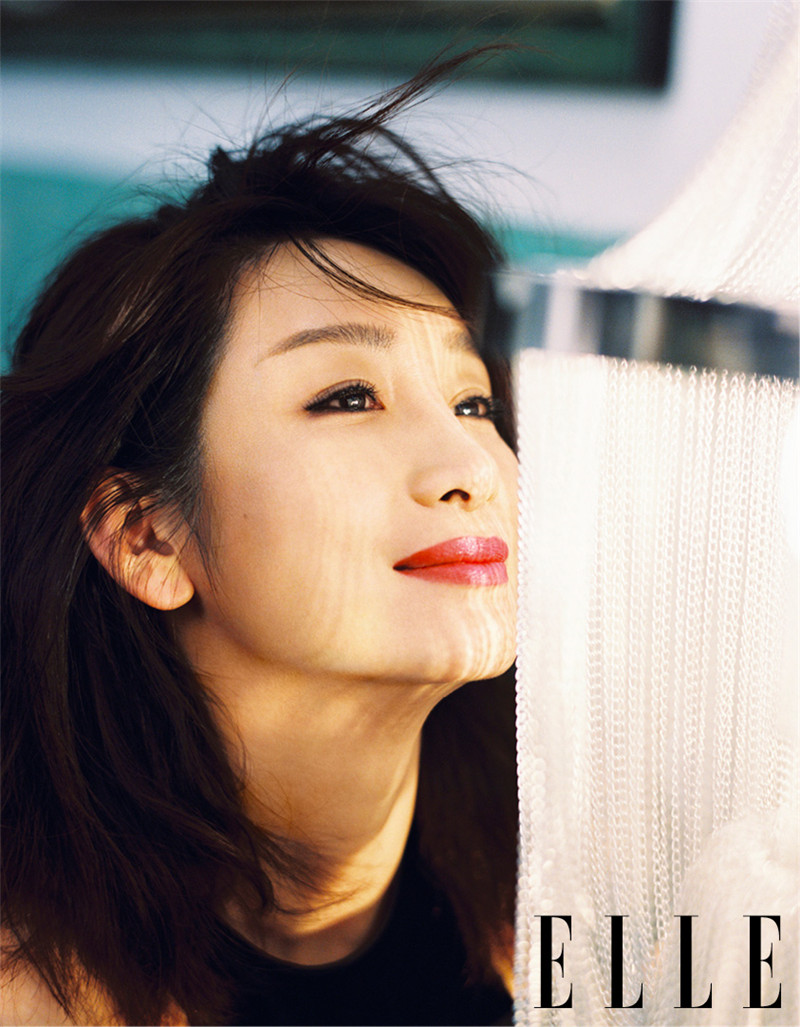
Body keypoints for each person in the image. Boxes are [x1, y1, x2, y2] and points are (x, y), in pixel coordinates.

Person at [1, 51, 519, 1027]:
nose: (470, 466)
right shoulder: (39, 989)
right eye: (348, 397)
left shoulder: (557, 908)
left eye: (473, 401)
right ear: (146, 536)